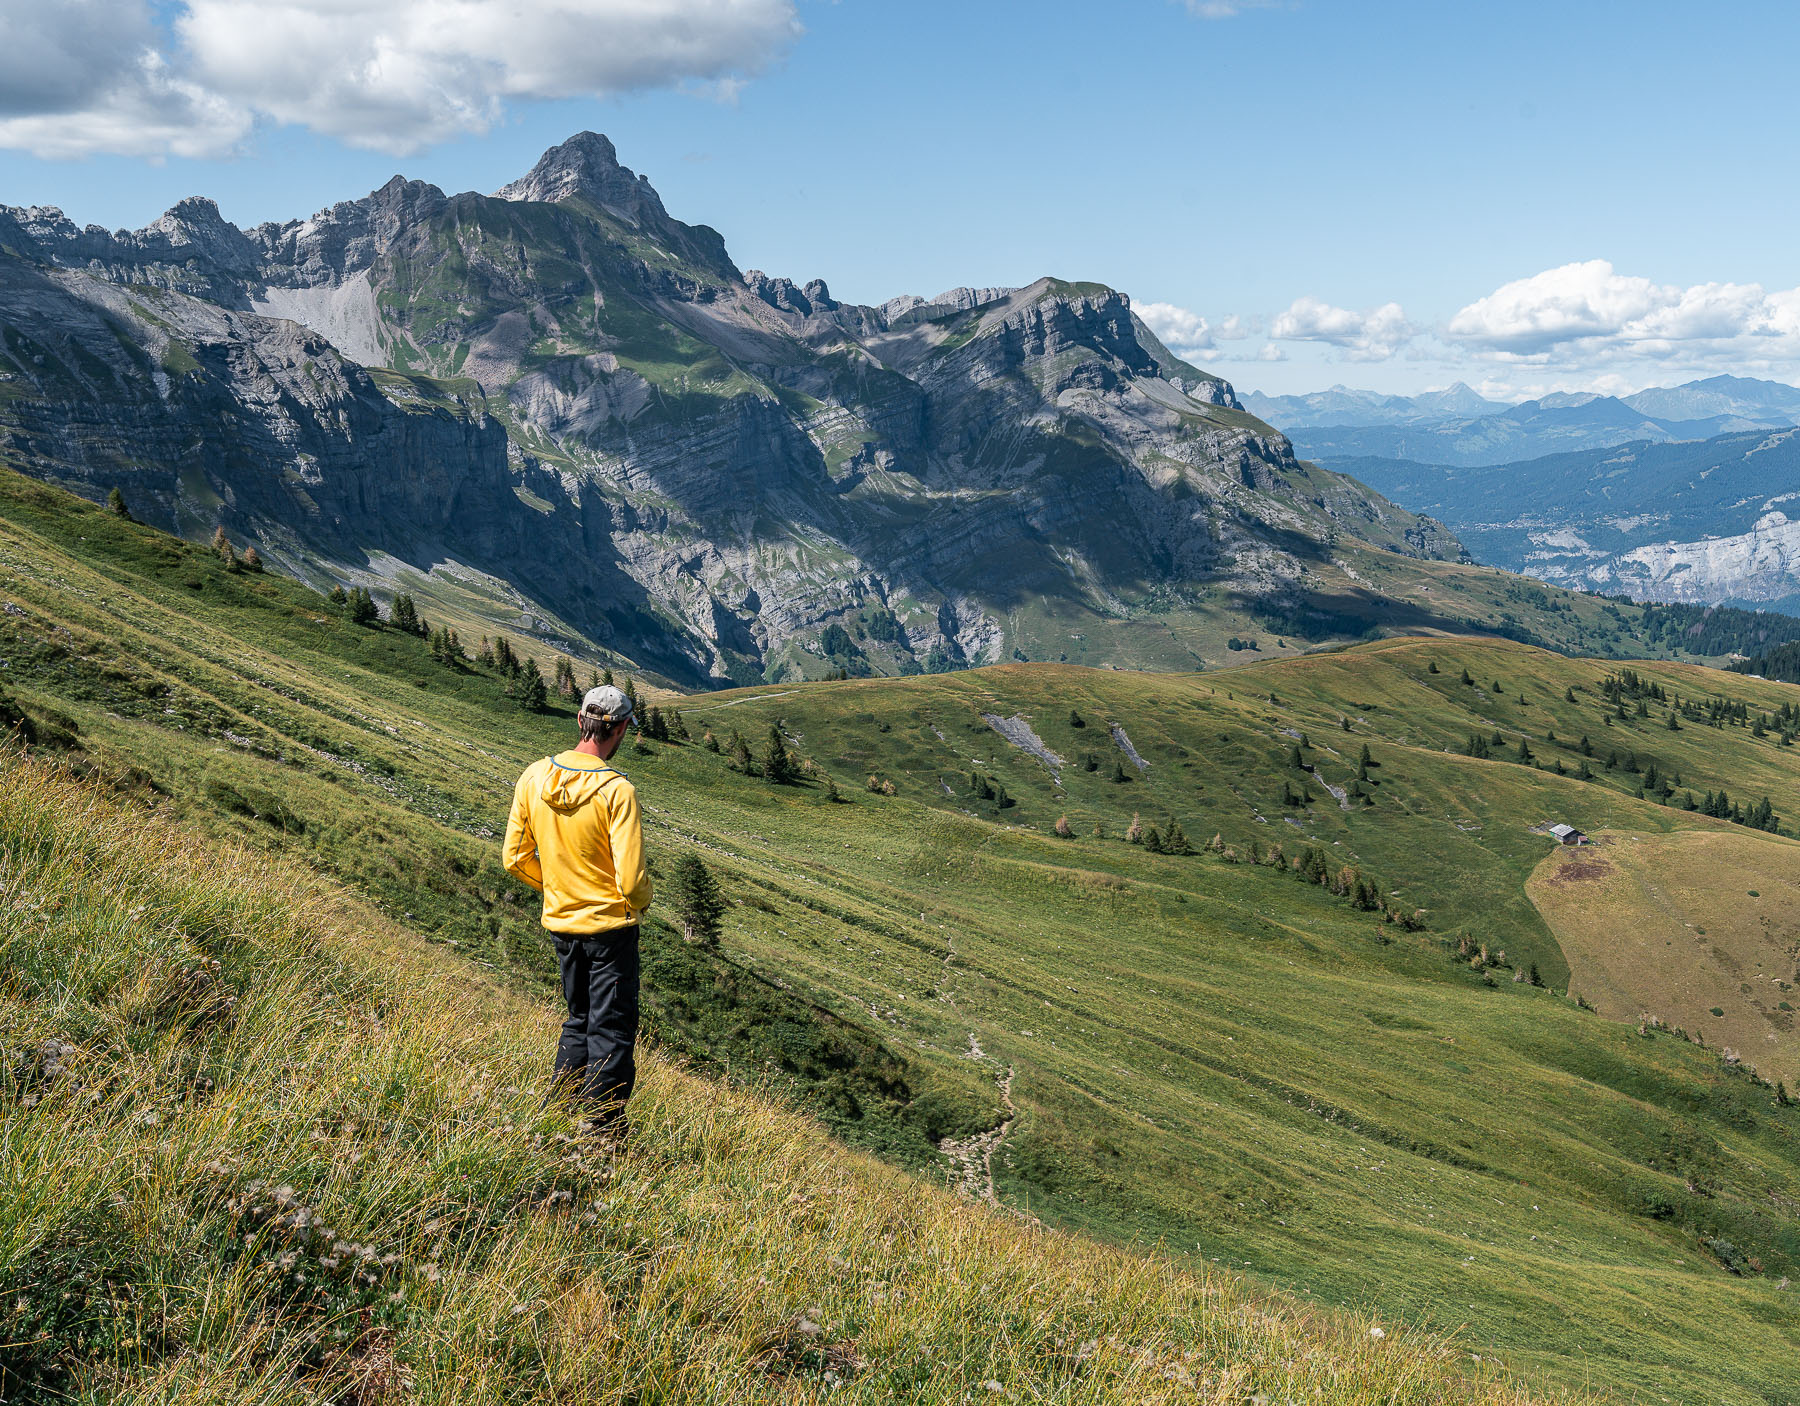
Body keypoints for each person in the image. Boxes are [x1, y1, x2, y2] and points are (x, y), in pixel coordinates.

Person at [503, 683, 652, 1138]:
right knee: (612, 1029)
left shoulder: (533, 776)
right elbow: (630, 881)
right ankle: (600, 1129)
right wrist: (638, 904)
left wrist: (558, 888)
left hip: (561, 924)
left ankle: (559, 1110)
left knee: (580, 1018)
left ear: (581, 721)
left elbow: (514, 856)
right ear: (621, 728)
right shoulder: (616, 790)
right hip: (610, 928)